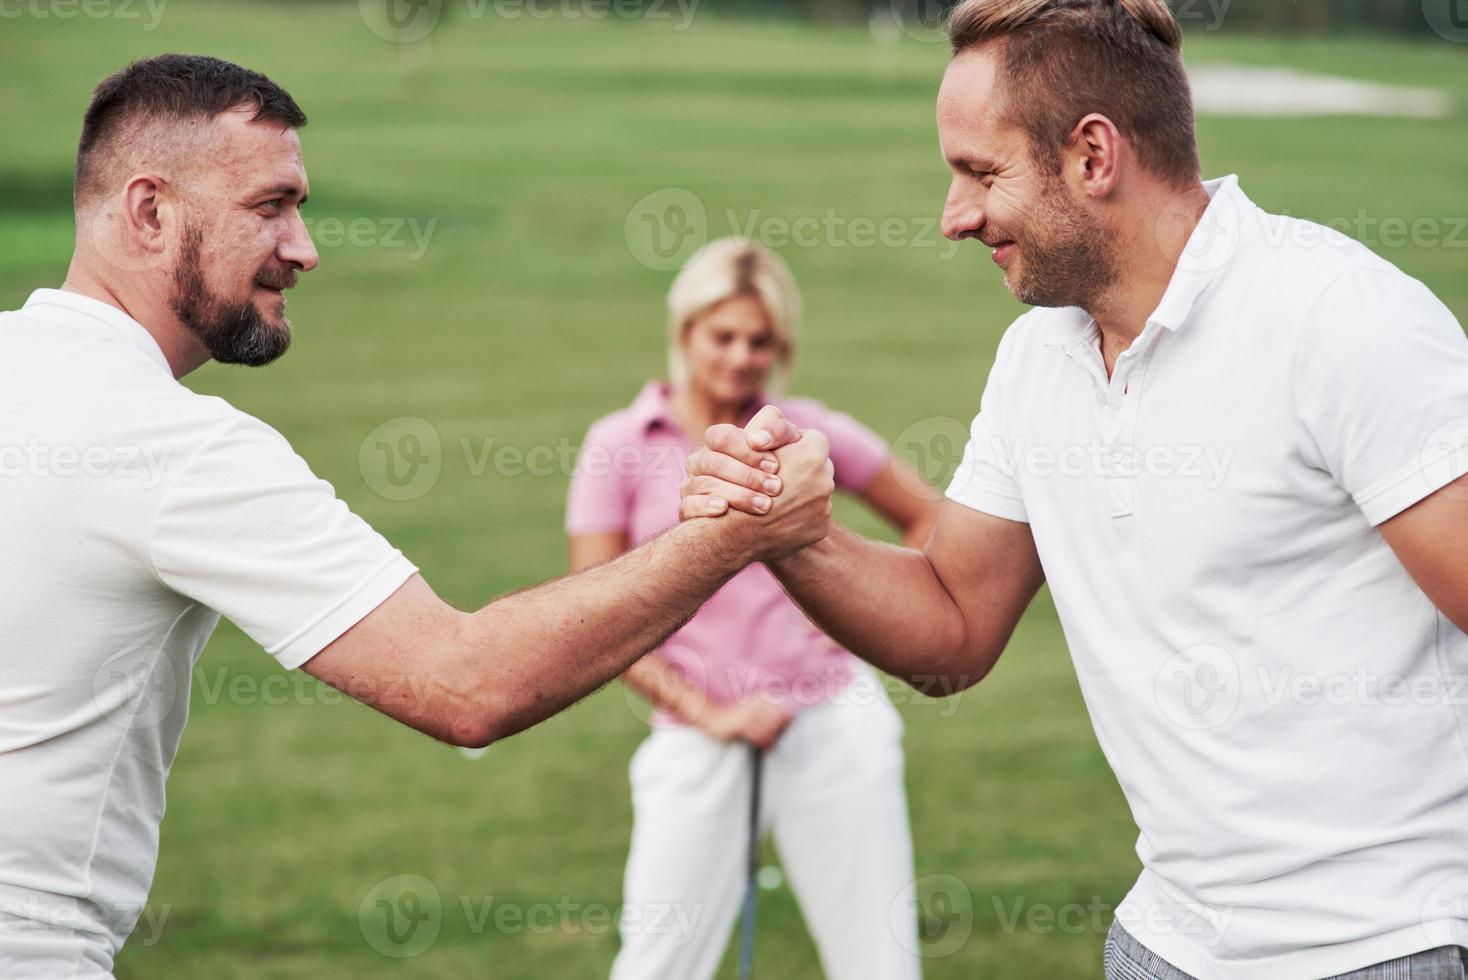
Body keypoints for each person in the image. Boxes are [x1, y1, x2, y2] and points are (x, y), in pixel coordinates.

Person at [0, 54, 835, 979]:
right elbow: (466, 684)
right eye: (269, 207)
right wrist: (734, 534)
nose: (305, 248)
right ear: (150, 211)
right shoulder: (172, 444)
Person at [679, 1, 1468, 978]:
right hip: (1161, 943)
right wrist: (794, 534)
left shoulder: (1340, 320)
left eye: (979, 171)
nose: (953, 215)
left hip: (1385, 948)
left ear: (1092, 156)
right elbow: (953, 624)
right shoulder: (1035, 360)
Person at [566, 239, 937, 980]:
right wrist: (711, 714)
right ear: (685, 334)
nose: (741, 357)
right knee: (658, 965)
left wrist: (849, 612)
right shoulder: (619, 444)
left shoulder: (805, 436)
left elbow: (931, 521)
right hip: (697, 739)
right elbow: (595, 618)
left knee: (880, 963)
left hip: (833, 723)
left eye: (761, 340)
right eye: (723, 335)